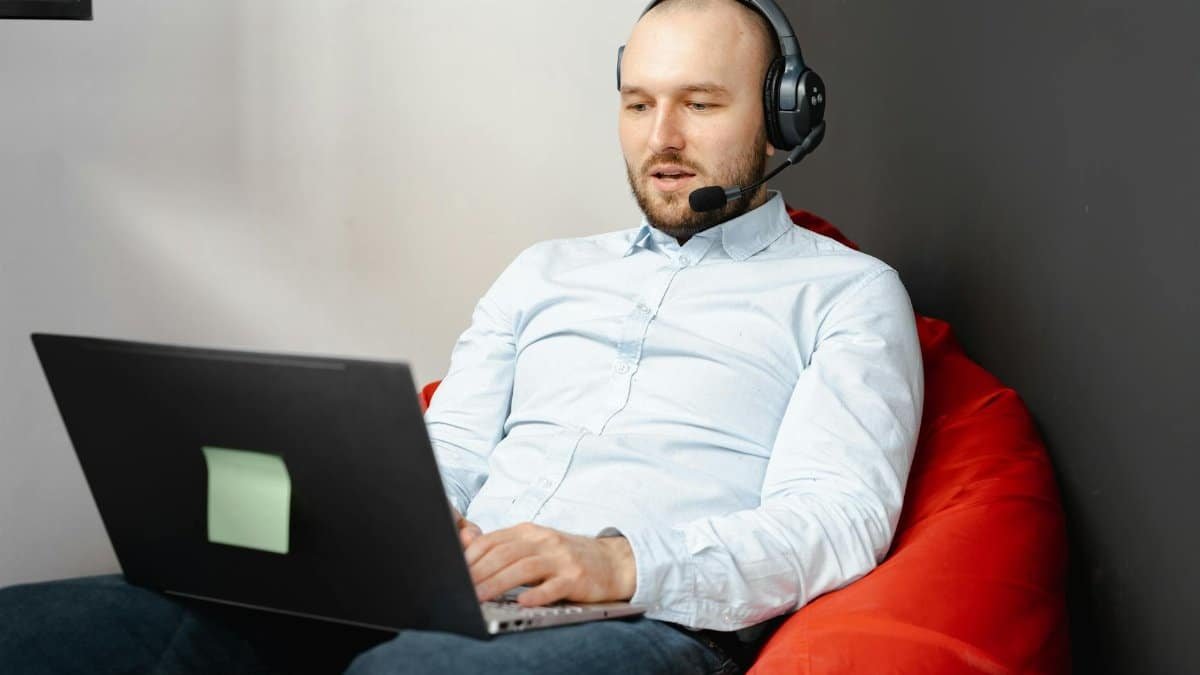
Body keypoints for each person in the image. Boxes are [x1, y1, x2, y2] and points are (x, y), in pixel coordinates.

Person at [0, 1, 923, 673]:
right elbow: (453, 452)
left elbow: (833, 521)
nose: (662, 137)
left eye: (701, 103)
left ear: (786, 117)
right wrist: (398, 529)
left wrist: (616, 561)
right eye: (638, 104)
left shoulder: (847, 293)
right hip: (454, 598)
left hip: (646, 622)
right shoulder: (544, 270)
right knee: (51, 635)